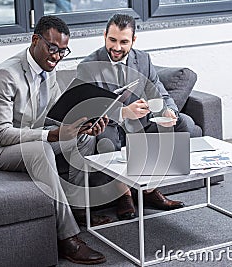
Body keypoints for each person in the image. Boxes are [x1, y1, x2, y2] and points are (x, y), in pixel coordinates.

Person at [0, 15, 107, 265]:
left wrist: (81, 125)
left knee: (83, 140)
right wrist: (51, 135)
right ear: (35, 40)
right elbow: (1, 134)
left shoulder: (48, 70)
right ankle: (68, 238)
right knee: (42, 148)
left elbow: (53, 116)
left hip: (29, 139)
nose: (56, 56)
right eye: (52, 48)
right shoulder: (6, 75)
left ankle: (77, 211)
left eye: (63, 51)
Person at [77, 14, 202, 220]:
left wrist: (168, 111)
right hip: (109, 129)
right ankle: (123, 193)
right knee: (104, 137)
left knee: (184, 123)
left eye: (124, 42)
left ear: (133, 40)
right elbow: (88, 110)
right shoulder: (88, 66)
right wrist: (124, 112)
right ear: (104, 36)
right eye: (112, 40)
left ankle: (148, 190)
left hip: (140, 128)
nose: (117, 47)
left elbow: (159, 93)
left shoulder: (143, 59)